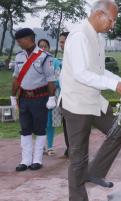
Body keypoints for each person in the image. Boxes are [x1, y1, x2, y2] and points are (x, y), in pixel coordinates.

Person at [58, 1, 121, 200]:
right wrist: (114, 86)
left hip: (93, 101)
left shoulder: (98, 38)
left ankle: (95, 172)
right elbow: (81, 73)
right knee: (78, 158)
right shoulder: (79, 36)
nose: (113, 25)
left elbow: (99, 71)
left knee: (119, 132)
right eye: (112, 20)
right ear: (99, 14)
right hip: (76, 104)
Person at [10, 28, 56, 171]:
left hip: (40, 98)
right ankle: (25, 160)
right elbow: (16, 78)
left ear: (29, 39)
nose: (18, 43)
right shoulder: (18, 57)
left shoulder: (44, 57)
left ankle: (37, 159)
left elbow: (50, 80)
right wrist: (13, 96)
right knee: (25, 129)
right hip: (24, 98)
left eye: (20, 41)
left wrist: (52, 97)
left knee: (39, 129)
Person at [37, 39, 60, 156]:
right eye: (40, 47)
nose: (43, 49)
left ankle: (50, 147)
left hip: (51, 95)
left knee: (50, 122)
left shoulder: (55, 62)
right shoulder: (35, 63)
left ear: (49, 47)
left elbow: (58, 80)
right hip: (38, 96)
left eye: (45, 46)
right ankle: (40, 147)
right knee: (40, 122)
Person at [58, 32, 70, 158]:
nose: (61, 45)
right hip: (64, 98)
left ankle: (74, 148)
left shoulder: (76, 57)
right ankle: (70, 147)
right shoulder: (65, 58)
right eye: (60, 42)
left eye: (63, 42)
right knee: (66, 125)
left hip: (75, 99)